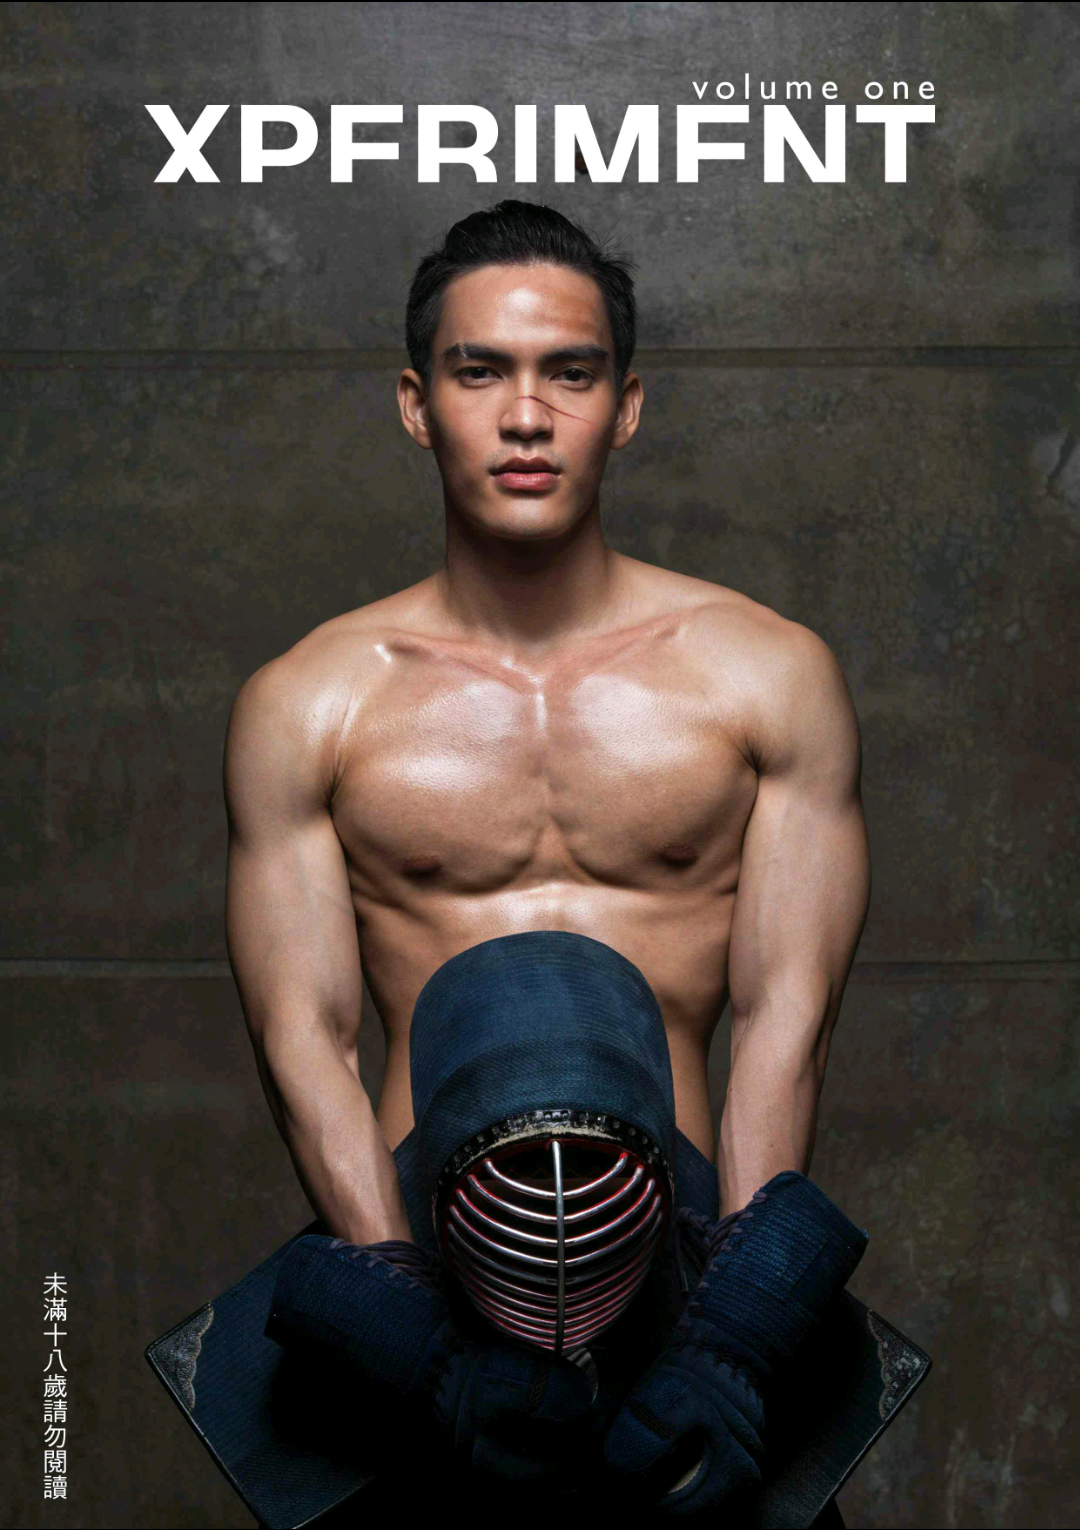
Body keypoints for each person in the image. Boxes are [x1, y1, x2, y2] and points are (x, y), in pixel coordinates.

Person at [224, 200, 871, 1522]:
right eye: (481, 372)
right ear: (418, 406)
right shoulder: (310, 703)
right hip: (422, 1288)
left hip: (688, 1279)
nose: (527, 417)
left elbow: (785, 1015)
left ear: (623, 407)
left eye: (569, 373)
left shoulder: (765, 675)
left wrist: (735, 1331)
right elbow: (306, 1034)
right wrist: (410, 1331)